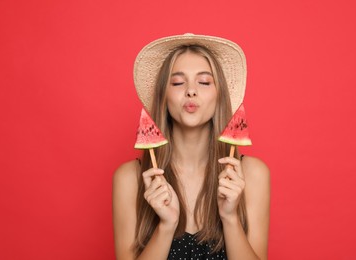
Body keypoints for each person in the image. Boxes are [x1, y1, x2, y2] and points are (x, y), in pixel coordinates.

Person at [113, 33, 270, 260]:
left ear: (220, 95)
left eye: (204, 82)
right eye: (177, 82)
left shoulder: (252, 174)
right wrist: (166, 226)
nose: (191, 90)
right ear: (163, 96)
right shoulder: (129, 178)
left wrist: (230, 218)